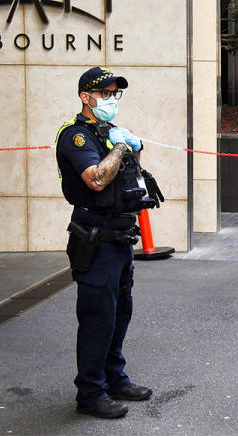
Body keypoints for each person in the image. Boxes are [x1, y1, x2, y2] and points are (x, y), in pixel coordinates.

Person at [55, 66, 155, 418]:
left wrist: (130, 148)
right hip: (95, 237)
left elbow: (129, 175)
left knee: (120, 313)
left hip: (120, 235)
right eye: (105, 94)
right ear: (86, 97)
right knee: (98, 317)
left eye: (115, 94)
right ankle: (90, 393)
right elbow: (96, 179)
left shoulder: (110, 131)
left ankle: (115, 378)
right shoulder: (76, 137)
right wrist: (122, 147)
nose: (112, 100)